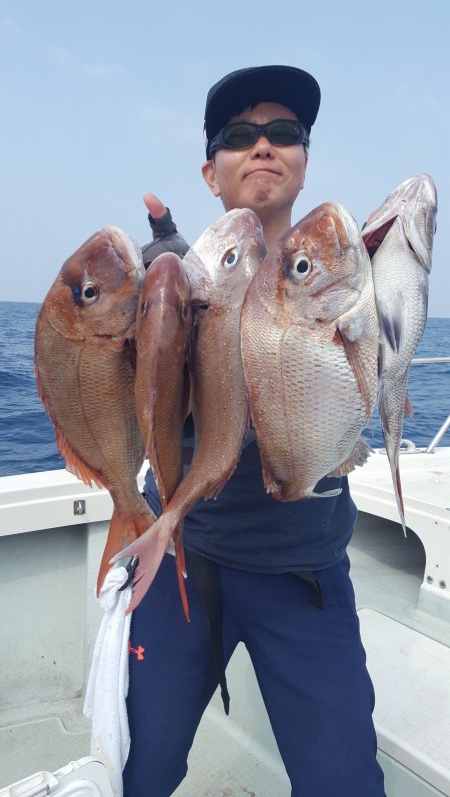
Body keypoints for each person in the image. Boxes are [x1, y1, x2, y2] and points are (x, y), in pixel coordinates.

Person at [123, 65, 386, 797]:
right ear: (212, 173)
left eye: (285, 133)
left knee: (344, 785)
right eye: (241, 136)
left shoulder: (340, 280)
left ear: (304, 161)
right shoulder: (177, 277)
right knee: (139, 770)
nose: (265, 145)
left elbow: (363, 395)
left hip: (304, 573)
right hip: (183, 559)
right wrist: (162, 314)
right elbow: (136, 411)